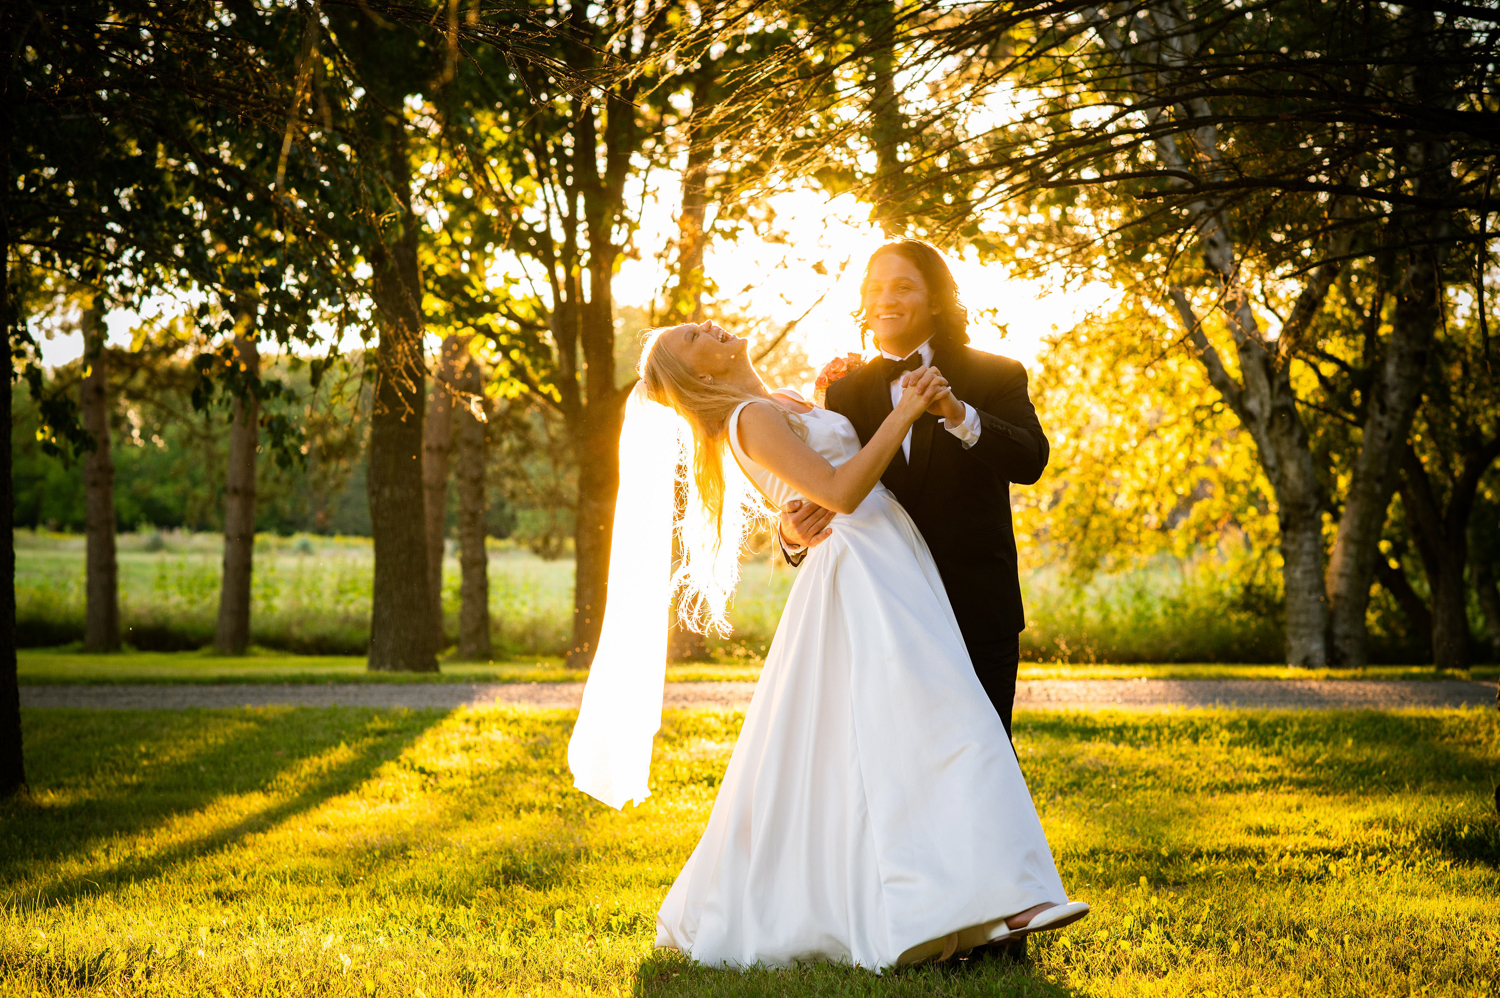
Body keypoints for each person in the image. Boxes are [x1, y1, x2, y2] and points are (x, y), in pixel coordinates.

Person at [567, 305, 1087, 970]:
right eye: (693, 339)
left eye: (700, 324)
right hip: (860, 573)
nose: (708, 328)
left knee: (896, 744)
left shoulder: (776, 401)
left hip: (893, 558)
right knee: (952, 722)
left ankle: (967, 906)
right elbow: (840, 491)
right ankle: (1014, 900)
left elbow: (831, 466)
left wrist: (841, 397)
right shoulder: (748, 419)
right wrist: (907, 409)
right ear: (694, 374)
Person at [780, 238, 1049, 741]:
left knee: (983, 765)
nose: (886, 299)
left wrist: (958, 415)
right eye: (876, 288)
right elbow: (830, 486)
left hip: (974, 608)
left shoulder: (995, 373)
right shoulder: (842, 391)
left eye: (903, 286)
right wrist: (792, 533)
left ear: (937, 299)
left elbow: (1030, 461)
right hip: (879, 614)